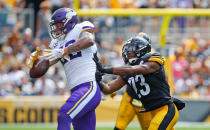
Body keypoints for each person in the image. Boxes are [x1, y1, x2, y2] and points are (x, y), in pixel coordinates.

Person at [28, 8, 101, 130]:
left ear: (70, 22)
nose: (56, 28)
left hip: (89, 87)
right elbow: (35, 73)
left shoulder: (82, 27)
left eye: (59, 24)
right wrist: (36, 61)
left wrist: (65, 51)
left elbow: (88, 40)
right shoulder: (56, 43)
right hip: (76, 90)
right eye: (55, 25)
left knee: (64, 114)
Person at [94, 37, 185, 130]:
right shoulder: (128, 70)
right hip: (153, 112)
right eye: (127, 50)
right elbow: (108, 88)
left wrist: (105, 69)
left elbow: (137, 70)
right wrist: (98, 81)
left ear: (142, 49)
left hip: (165, 109)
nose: (128, 53)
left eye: (132, 49)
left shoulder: (152, 59)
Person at [112, 32, 152, 130]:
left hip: (146, 102)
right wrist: (113, 87)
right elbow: (124, 73)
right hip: (130, 98)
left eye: (137, 47)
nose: (132, 50)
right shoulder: (131, 60)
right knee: (119, 127)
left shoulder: (153, 62)